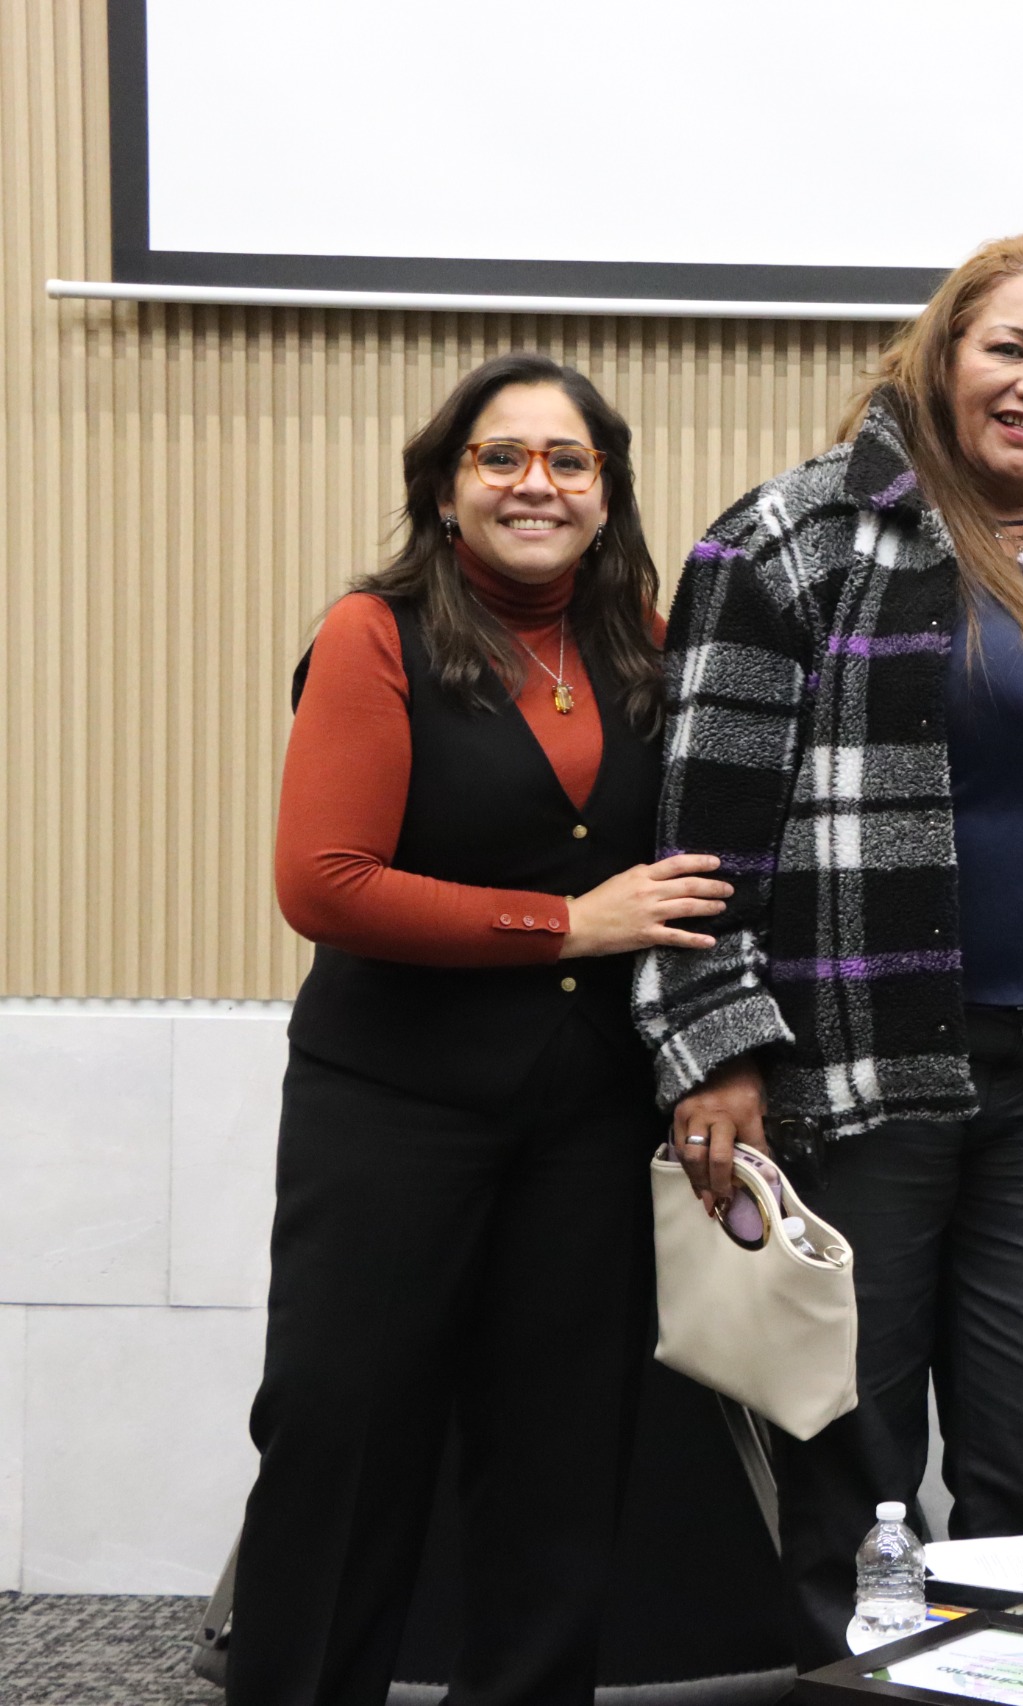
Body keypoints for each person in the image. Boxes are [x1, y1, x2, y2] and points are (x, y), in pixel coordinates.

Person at [636, 235, 1023, 1665]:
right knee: (859, 1455)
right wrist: (711, 1050)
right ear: (940, 354)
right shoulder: (797, 537)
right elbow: (698, 833)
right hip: (862, 1072)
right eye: (1009, 349)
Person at [230, 353, 725, 1706]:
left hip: (582, 1118)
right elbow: (324, 884)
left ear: (607, 491)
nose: (535, 484)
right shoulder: (374, 632)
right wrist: (569, 924)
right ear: (446, 487)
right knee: (344, 1442)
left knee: (559, 1461)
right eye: (501, 457)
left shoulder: (645, 635)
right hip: (391, 1108)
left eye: (568, 461)